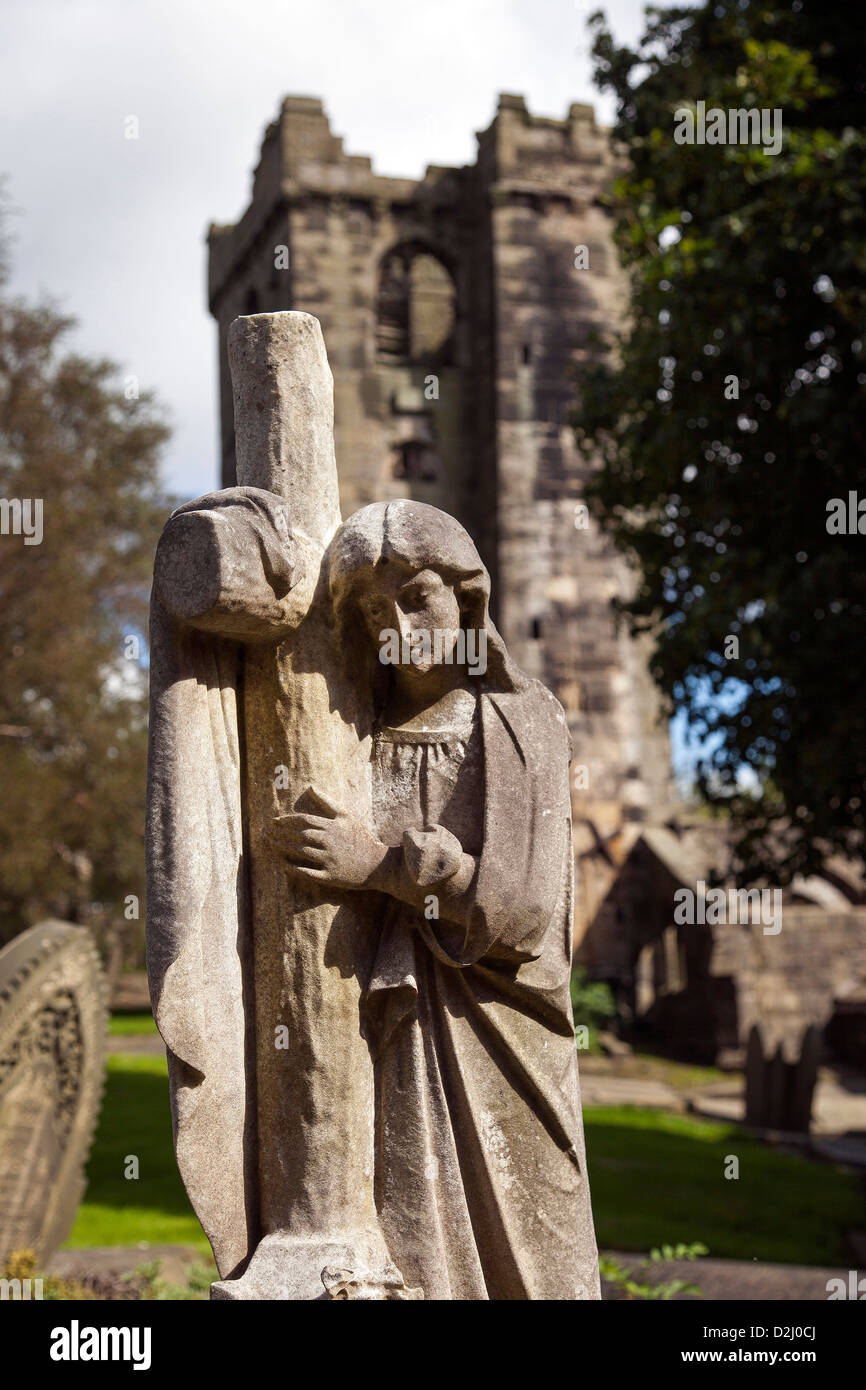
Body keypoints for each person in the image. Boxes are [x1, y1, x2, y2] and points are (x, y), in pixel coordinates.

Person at [270, 499, 600, 1300]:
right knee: (416, 1239)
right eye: (376, 611)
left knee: (540, 1260)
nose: (401, 629)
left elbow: (523, 916)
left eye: (417, 598)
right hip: (394, 1032)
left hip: (505, 1029)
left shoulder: (523, 722)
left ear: (468, 598)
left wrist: (382, 866)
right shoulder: (352, 729)